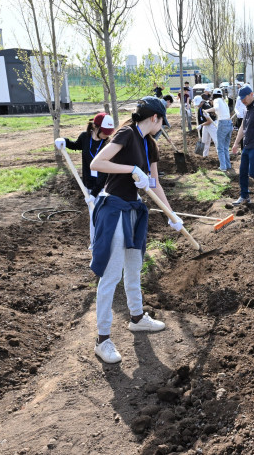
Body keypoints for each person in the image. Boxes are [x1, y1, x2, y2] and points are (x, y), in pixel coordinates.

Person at [88, 96, 182, 363]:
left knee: (133, 266)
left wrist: (171, 214)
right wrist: (131, 169)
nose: (161, 127)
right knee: (111, 274)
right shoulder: (127, 134)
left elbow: (154, 183)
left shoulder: (150, 144)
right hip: (114, 209)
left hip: (133, 210)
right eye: (162, 121)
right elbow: (97, 164)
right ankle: (102, 340)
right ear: (154, 117)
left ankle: (137, 317)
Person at [54, 113, 115, 246]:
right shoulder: (85, 138)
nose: (107, 135)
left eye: (109, 132)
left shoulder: (109, 144)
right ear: (95, 127)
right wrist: (64, 141)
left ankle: (105, 243)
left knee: (102, 216)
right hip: (88, 185)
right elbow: (75, 145)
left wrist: (94, 194)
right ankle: (95, 244)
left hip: (104, 188)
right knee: (93, 216)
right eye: (105, 132)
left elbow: (105, 173)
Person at [204, 88, 234, 171]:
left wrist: (207, 110)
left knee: (220, 147)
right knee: (225, 147)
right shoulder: (224, 101)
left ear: (213, 95)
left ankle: (223, 167)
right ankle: (228, 165)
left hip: (223, 123)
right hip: (229, 123)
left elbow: (216, 108)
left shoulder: (216, 100)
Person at [198, 91, 218, 158]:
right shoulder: (200, 107)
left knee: (216, 140)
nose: (197, 105)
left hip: (212, 124)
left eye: (198, 104)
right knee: (205, 140)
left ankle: (220, 155)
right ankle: (205, 155)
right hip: (205, 125)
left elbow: (209, 121)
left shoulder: (206, 107)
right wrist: (201, 125)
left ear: (201, 102)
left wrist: (201, 125)